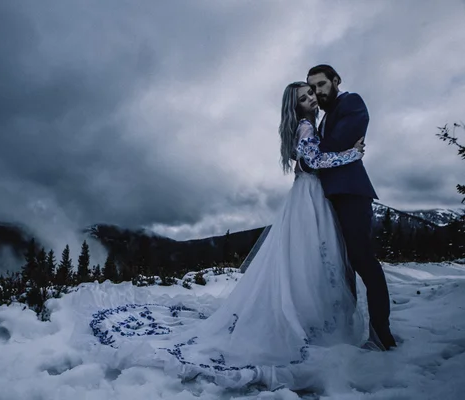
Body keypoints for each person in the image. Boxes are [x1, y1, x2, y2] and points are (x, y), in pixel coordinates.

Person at [86, 81, 371, 391]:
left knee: (309, 258)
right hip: (310, 197)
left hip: (309, 196)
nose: (311, 99)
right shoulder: (305, 127)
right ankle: (307, 319)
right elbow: (314, 162)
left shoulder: (308, 125)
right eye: (303, 97)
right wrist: (351, 155)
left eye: (311, 94)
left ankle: (309, 313)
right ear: (296, 106)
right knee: (308, 257)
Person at [307, 64, 397, 350]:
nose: (317, 92)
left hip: (351, 193)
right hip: (330, 195)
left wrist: (308, 151)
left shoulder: (352, 102)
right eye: (312, 88)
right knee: (341, 264)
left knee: (362, 260)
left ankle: (381, 332)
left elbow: (335, 143)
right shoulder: (324, 117)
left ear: (336, 81)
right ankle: (348, 328)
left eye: (321, 85)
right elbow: (325, 149)